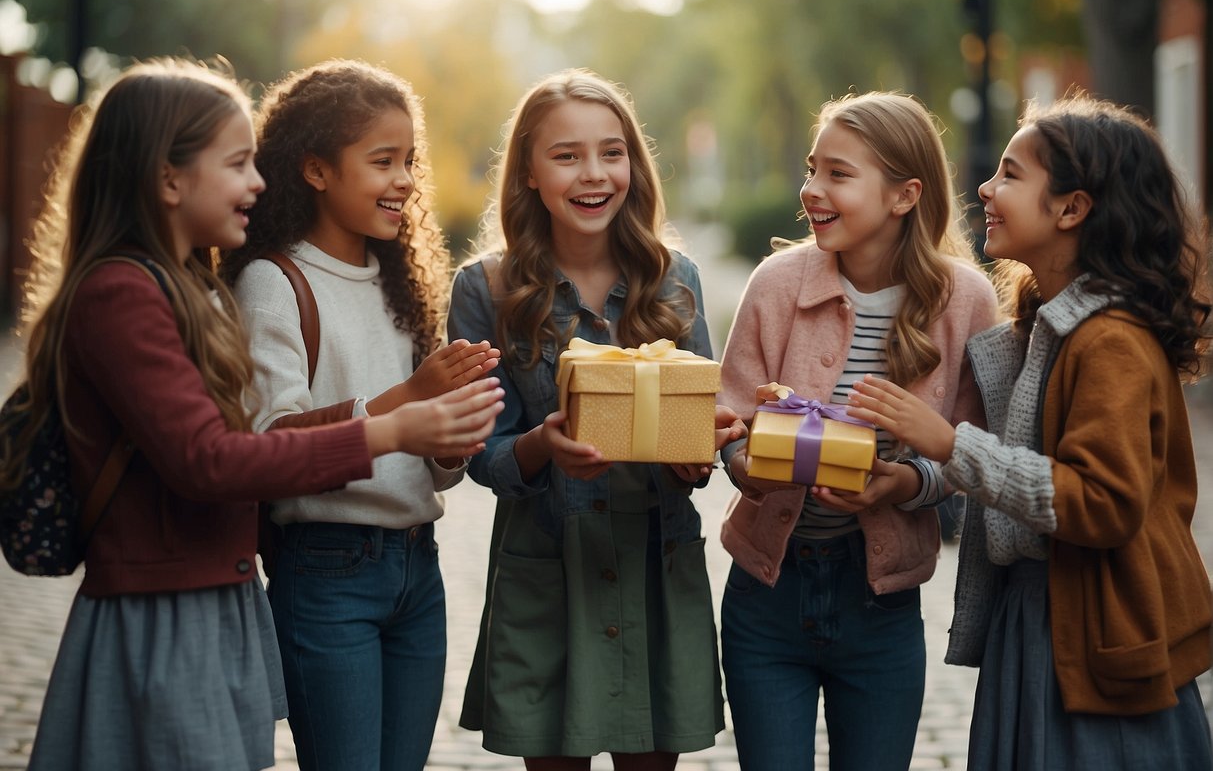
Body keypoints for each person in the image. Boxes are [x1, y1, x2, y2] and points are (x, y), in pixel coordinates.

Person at [7, 59, 503, 771]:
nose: (255, 181)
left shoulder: (193, 288)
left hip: (258, 586)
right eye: (237, 163)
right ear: (169, 178)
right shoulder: (140, 291)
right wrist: (395, 422)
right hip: (187, 599)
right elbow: (217, 456)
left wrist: (443, 435)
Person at [846, 95, 1213, 769]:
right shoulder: (1048, 329)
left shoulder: (1110, 342)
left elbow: (1101, 502)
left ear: (1071, 209)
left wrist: (949, 443)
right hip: (1041, 622)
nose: (985, 187)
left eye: (1011, 175)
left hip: (1093, 641)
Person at [447, 67, 744, 771]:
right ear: (527, 172)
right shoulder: (484, 289)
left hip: (653, 557)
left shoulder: (678, 278)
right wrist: (541, 449)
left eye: (612, 152)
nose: (594, 174)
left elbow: (695, 444)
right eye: (566, 154)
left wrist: (695, 453)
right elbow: (477, 452)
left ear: (633, 166)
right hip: (549, 564)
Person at [218, 59, 498, 771]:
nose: (404, 179)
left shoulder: (401, 284)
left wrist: (455, 433)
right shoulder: (272, 284)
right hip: (327, 573)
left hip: (417, 571)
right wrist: (409, 402)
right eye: (382, 161)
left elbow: (435, 472)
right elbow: (271, 447)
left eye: (410, 161)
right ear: (315, 170)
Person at [716, 91, 1000, 770]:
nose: (811, 190)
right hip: (766, 594)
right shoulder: (775, 285)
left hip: (880, 606)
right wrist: (747, 463)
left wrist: (902, 482)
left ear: (903, 196)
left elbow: (973, 452)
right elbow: (729, 424)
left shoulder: (965, 302)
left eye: (837, 175)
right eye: (812, 169)